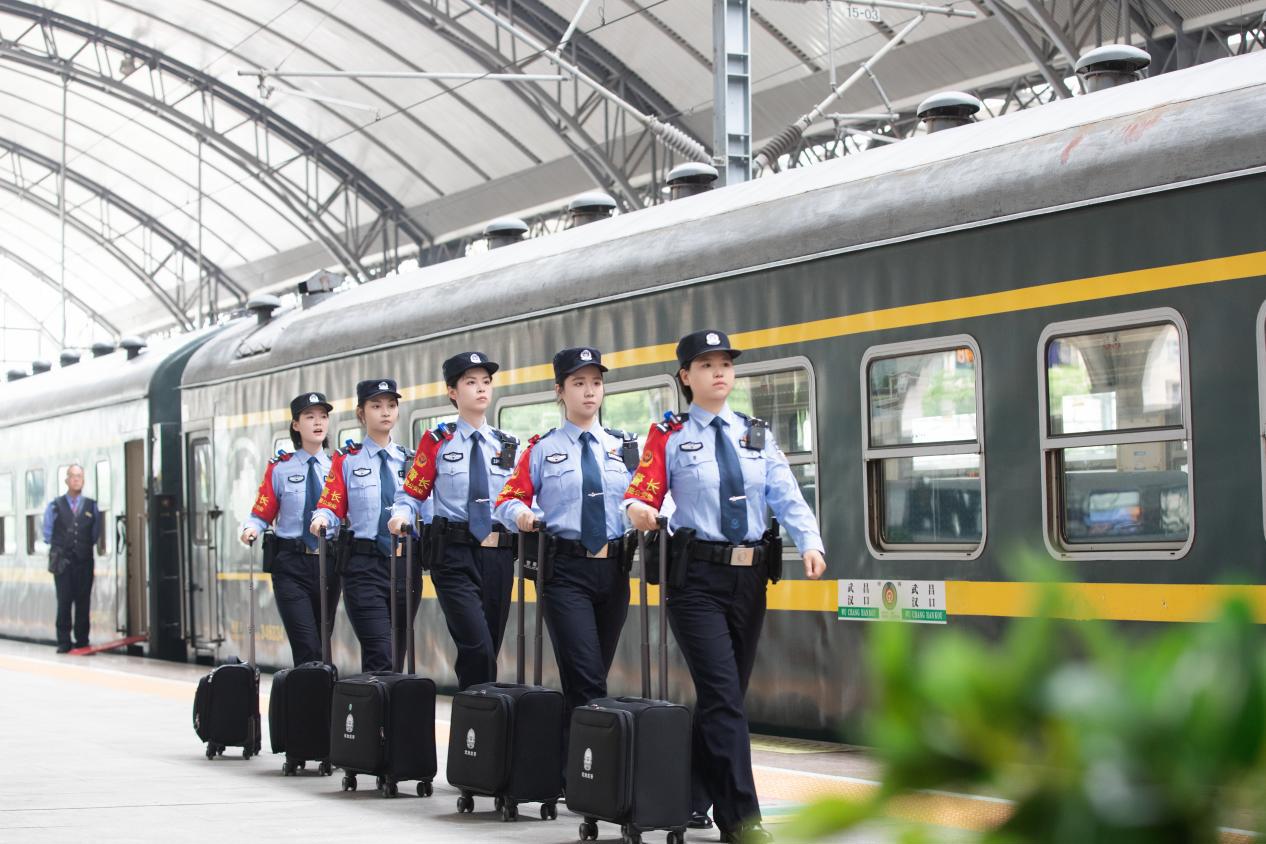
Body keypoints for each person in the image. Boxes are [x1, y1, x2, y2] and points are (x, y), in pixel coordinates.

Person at [624, 329, 827, 844]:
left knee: (725, 697)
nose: (719, 372)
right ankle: (741, 819)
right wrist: (639, 509)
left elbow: (785, 492)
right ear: (685, 377)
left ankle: (691, 797)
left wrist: (810, 541)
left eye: (726, 364)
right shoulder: (668, 435)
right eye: (707, 365)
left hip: (750, 578)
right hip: (696, 581)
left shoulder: (755, 433)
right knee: (724, 696)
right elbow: (641, 490)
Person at [493, 347, 636, 746]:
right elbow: (506, 499)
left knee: (591, 676)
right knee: (587, 676)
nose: (590, 391)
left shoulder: (625, 448)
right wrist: (521, 513)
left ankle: (570, 762)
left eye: (596, 383)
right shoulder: (542, 449)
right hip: (565, 573)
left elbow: (650, 493)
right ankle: (592, 766)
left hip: (614, 570)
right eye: (578, 383)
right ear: (560, 390)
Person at [389, 352, 518, 690]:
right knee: (477, 645)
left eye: (486, 382)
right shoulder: (437, 442)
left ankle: (476, 712)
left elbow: (517, 497)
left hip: (498, 555)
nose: (481, 389)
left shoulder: (506, 445)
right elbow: (412, 493)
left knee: (490, 645)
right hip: (453, 556)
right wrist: (401, 515)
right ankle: (479, 711)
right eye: (471, 382)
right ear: (452, 391)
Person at [309, 379, 420, 673]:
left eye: (391, 405)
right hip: (364, 567)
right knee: (380, 653)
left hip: (405, 565)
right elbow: (331, 501)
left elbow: (426, 505)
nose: (385, 412)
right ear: (361, 413)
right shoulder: (347, 460)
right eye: (376, 406)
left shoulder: (412, 461)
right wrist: (322, 518)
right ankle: (376, 702)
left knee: (398, 655)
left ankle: (389, 703)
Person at [240, 391, 341, 666]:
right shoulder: (280, 468)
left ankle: (318, 691)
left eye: (323, 416)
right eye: (310, 417)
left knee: (322, 641)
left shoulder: (339, 466)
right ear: (296, 424)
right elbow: (262, 511)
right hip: (290, 565)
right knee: (306, 643)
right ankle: (311, 689)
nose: (318, 422)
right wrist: (251, 528)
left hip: (329, 563)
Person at [44, 464, 101, 653]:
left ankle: (82, 640)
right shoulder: (55, 505)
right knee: (64, 600)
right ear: (67, 480)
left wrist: (83, 546)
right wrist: (61, 546)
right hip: (63, 562)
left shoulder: (91, 505)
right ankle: (64, 641)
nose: (76, 479)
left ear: (83, 480)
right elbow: (47, 532)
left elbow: (95, 533)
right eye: (73, 476)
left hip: (84, 561)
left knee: (83, 601)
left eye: (80, 476)